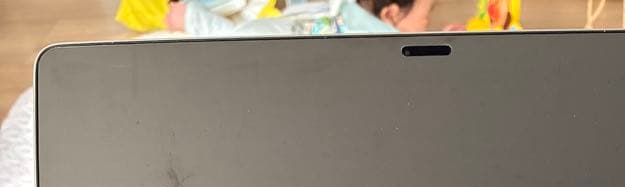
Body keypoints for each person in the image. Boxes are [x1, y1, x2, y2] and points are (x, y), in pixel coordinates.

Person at [117, 0, 435, 36]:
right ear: (390, 14)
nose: (427, 24)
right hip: (277, 29)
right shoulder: (376, 32)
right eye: (426, 16)